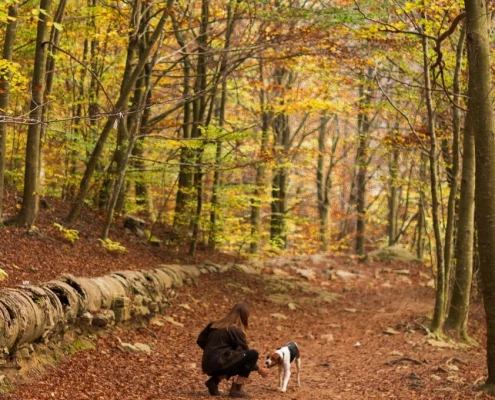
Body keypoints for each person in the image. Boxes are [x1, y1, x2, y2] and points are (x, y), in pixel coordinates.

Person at [196, 302, 270, 398]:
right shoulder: (235, 330)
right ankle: (237, 389)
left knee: (234, 358)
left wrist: (211, 352)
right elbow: (247, 357)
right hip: (219, 364)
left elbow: (200, 340)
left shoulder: (214, 324)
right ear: (244, 316)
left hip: (207, 364)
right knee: (253, 354)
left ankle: (214, 382)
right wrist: (260, 370)